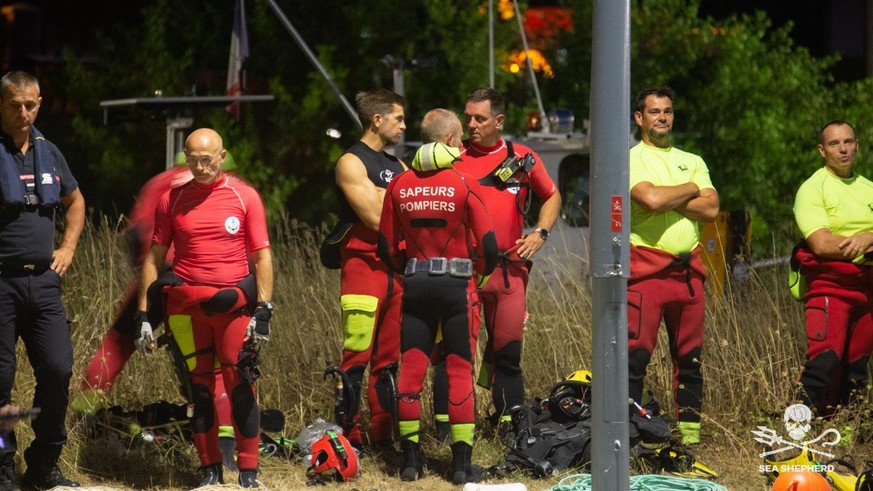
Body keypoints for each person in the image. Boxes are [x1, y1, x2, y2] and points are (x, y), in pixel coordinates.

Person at [77, 153, 246, 469]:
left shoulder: (158, 184)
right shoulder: (231, 186)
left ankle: (81, 418)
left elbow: (136, 236)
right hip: (207, 284)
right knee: (214, 365)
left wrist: (148, 290)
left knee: (116, 344)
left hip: (159, 279)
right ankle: (225, 450)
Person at [136, 128, 273, 488]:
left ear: (222, 156)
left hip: (232, 306)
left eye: (206, 159)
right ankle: (210, 471)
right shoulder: (172, 198)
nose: (199, 166)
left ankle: (248, 472)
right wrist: (145, 316)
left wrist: (265, 309)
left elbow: (262, 257)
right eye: (191, 159)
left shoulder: (244, 197)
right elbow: (153, 259)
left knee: (240, 384)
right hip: (185, 308)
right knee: (199, 390)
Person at [378, 135, 497, 483]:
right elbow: (488, 244)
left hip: (416, 283)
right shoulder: (463, 182)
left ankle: (411, 463)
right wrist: (480, 276)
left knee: (411, 371)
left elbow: (385, 245)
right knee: (459, 369)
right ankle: (461, 466)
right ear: (449, 158)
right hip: (457, 285)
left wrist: (408, 269)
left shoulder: (399, 185)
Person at [452, 87, 561, 429]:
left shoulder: (522, 156)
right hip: (463, 270)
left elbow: (552, 196)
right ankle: (453, 431)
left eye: (479, 118)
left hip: (509, 271)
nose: (471, 124)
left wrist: (539, 233)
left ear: (498, 121)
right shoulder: (453, 155)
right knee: (456, 356)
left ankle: (510, 427)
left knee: (508, 355)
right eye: (467, 117)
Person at [0, 70, 85, 490]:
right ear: (2, 105)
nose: (24, 112)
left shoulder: (48, 151)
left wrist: (67, 247)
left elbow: (75, 201)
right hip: (1, 283)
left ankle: (43, 465)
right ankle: (1, 466)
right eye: (15, 104)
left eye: (30, 104)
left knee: (58, 369)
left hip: (45, 282)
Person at [627, 86, 719, 446]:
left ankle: (689, 438)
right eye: (654, 112)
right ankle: (630, 435)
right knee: (636, 357)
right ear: (639, 118)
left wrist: (669, 196)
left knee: (690, 359)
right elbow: (648, 199)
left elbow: (711, 209)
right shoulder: (631, 158)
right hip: (646, 270)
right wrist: (691, 190)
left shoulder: (692, 159)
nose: (662, 117)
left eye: (667, 111)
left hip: (689, 272)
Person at [330, 88, 406, 448]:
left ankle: (383, 437)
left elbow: (411, 213)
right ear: (377, 120)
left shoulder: (398, 165)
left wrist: (384, 196)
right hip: (362, 267)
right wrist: (389, 201)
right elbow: (376, 217)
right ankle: (349, 436)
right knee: (356, 354)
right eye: (398, 118)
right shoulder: (351, 161)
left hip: (397, 270)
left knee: (389, 360)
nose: (404, 126)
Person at [792, 120, 873, 415]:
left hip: (867, 288)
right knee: (824, 361)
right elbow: (822, 243)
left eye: (848, 142)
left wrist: (869, 238)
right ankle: (796, 431)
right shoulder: (813, 189)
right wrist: (864, 244)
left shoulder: (869, 188)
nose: (843, 149)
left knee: (857, 368)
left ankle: (845, 432)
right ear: (821, 150)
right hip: (829, 288)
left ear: (857, 145)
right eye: (835, 144)